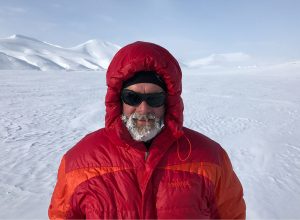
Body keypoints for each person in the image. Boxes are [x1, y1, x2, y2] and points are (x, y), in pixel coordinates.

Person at [48, 41, 246, 219]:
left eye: (154, 98)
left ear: (169, 102)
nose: (143, 109)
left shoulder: (211, 158)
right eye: (132, 98)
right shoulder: (79, 161)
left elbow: (232, 215)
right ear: (118, 100)